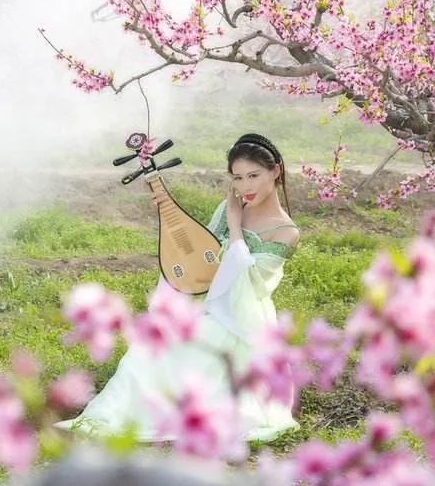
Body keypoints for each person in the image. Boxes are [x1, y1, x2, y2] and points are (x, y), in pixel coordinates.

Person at [55, 133, 301, 442]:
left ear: (276, 171)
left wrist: (236, 225)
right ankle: (123, 414)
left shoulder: (286, 232)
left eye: (254, 176)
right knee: (149, 347)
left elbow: (248, 283)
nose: (246, 187)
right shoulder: (226, 208)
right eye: (237, 178)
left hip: (243, 321)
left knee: (179, 351)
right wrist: (167, 211)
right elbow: (201, 260)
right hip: (209, 305)